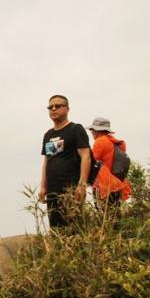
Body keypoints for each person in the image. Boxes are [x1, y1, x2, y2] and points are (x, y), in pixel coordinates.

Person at [39, 95, 91, 228]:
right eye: (50, 107)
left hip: (70, 189)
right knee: (56, 229)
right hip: (52, 190)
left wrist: (82, 185)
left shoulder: (75, 129)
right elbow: (46, 162)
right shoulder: (48, 135)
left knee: (74, 227)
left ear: (67, 109)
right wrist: (43, 187)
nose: (53, 109)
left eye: (58, 106)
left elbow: (86, 156)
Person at [86, 117, 131, 206]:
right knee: (115, 212)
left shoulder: (100, 141)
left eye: (92, 130)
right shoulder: (115, 142)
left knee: (103, 214)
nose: (91, 132)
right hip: (118, 183)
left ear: (97, 130)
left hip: (105, 185)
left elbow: (91, 159)